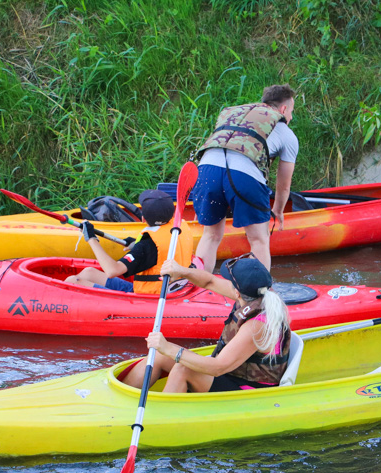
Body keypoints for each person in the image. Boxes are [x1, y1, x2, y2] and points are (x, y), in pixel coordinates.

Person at [122, 254, 291, 393]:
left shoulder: (257, 326)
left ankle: (158, 419)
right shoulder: (257, 293)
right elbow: (209, 281)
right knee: (160, 355)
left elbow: (218, 367)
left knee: (183, 369)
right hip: (231, 373)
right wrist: (182, 271)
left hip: (248, 389)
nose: (226, 283)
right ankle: (124, 399)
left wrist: (169, 348)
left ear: (237, 293)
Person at [192, 83, 299, 272]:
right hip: (244, 173)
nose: (290, 117)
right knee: (259, 238)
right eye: (291, 111)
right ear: (283, 109)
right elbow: (283, 184)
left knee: (210, 235)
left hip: (206, 169)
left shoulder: (239, 115)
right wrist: (278, 211)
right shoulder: (286, 133)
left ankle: (198, 288)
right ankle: (259, 295)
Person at [65, 189, 194, 294]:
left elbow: (112, 271)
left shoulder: (146, 246)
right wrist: (135, 245)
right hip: (171, 289)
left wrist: (91, 238)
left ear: (143, 218)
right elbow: (159, 253)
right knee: (89, 272)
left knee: (72, 281)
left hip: (147, 299)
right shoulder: (179, 227)